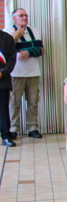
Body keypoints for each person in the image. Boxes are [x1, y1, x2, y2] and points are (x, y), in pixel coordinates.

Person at [4, 8, 44, 139]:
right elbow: (5, 51)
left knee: (33, 101)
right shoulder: (7, 31)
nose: (24, 18)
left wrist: (29, 52)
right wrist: (16, 37)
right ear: (14, 18)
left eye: (26, 15)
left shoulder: (34, 31)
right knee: (14, 102)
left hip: (33, 72)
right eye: (21, 15)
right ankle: (13, 128)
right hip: (16, 73)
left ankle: (32, 127)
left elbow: (41, 49)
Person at [0, 30, 18, 146]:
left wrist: (2, 72)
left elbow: (12, 59)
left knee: (3, 108)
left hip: (2, 79)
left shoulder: (7, 38)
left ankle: (5, 135)